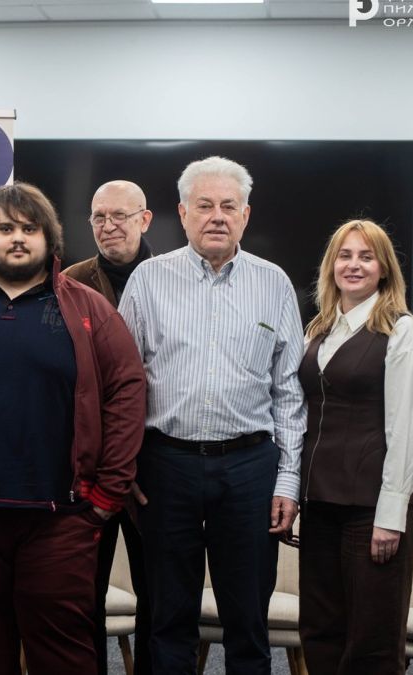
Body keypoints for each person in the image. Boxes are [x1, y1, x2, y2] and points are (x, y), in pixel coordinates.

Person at [0, 182, 147, 674]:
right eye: (5, 229)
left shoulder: (86, 308)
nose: (17, 239)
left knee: (62, 652)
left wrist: (108, 494)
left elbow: (127, 392)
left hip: (60, 517)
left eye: (29, 228)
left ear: (50, 239)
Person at [118, 157, 306, 674]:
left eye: (229, 206)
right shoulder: (148, 281)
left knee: (248, 620)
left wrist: (287, 481)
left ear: (246, 215)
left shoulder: (274, 284)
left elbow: (288, 392)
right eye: (205, 205)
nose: (217, 216)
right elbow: (123, 385)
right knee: (167, 617)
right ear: (182, 213)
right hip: (165, 466)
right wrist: (125, 465)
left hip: (249, 469)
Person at [297, 220, 413, 674]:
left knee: (371, 642)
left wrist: (390, 518)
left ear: (384, 269)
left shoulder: (402, 331)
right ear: (331, 265)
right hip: (320, 506)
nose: (353, 265)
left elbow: (407, 433)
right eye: (345, 255)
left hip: (372, 513)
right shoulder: (319, 329)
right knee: (320, 632)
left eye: (366, 256)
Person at [62, 179, 154, 675]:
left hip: (155, 470)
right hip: (89, 471)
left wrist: (138, 458)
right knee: (82, 602)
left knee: (159, 600)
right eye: (99, 217)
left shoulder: (172, 277)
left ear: (145, 219)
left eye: (119, 215)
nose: (108, 226)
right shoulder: (69, 283)